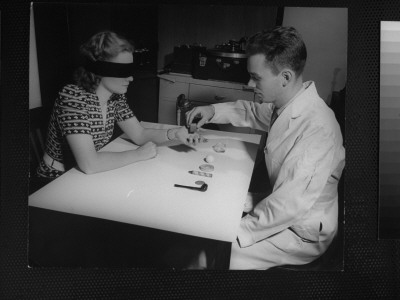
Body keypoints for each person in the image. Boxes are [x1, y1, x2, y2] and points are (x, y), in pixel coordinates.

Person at [186, 26, 345, 270]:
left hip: (301, 230)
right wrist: (212, 110)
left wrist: (232, 233)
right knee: (215, 203)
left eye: (257, 77)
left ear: (285, 78)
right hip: (282, 203)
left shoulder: (317, 128)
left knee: (216, 256)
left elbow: (288, 206)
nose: (250, 84)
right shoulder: (286, 105)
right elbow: (249, 111)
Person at [36, 30, 201, 179]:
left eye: (131, 71)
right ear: (99, 69)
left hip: (87, 176)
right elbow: (90, 164)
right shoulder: (73, 97)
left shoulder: (115, 97)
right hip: (57, 179)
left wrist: (175, 133)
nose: (131, 78)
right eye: (122, 72)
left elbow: (140, 134)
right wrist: (137, 155)